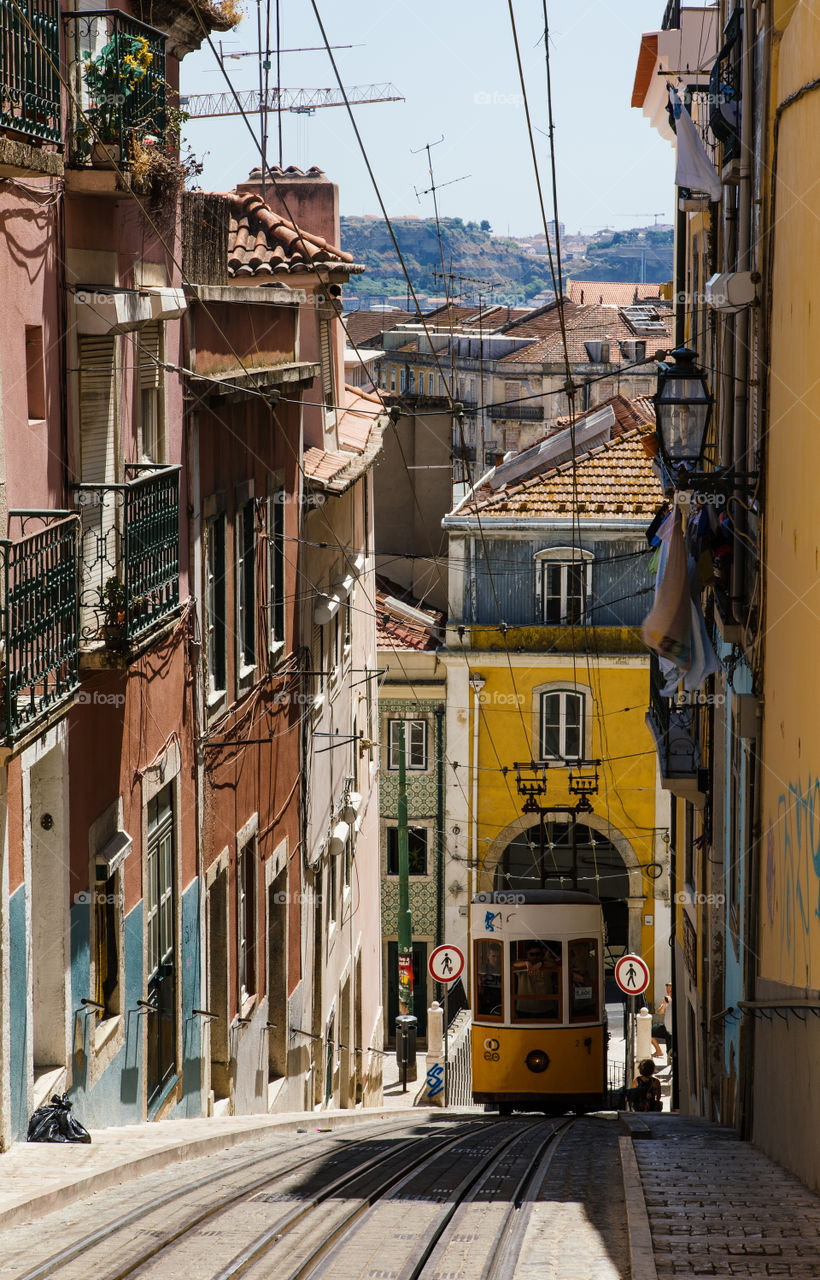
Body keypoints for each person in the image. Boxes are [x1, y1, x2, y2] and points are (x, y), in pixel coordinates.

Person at [512, 942, 559, 1017]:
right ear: (526, 955)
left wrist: (540, 964)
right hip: (524, 1009)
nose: (535, 957)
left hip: (546, 1009)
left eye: (538, 954)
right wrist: (526, 963)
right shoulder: (521, 966)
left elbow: (554, 964)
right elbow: (514, 964)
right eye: (531, 954)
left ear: (541, 955)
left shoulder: (547, 965)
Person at [652, 982, 673, 1057]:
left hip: (673, 1032)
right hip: (665, 1028)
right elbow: (659, 1012)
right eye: (667, 991)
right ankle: (658, 1051)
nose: (669, 993)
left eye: (670, 991)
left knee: (670, 1054)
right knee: (648, 1030)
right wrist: (664, 1004)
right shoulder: (667, 999)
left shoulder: (678, 999)